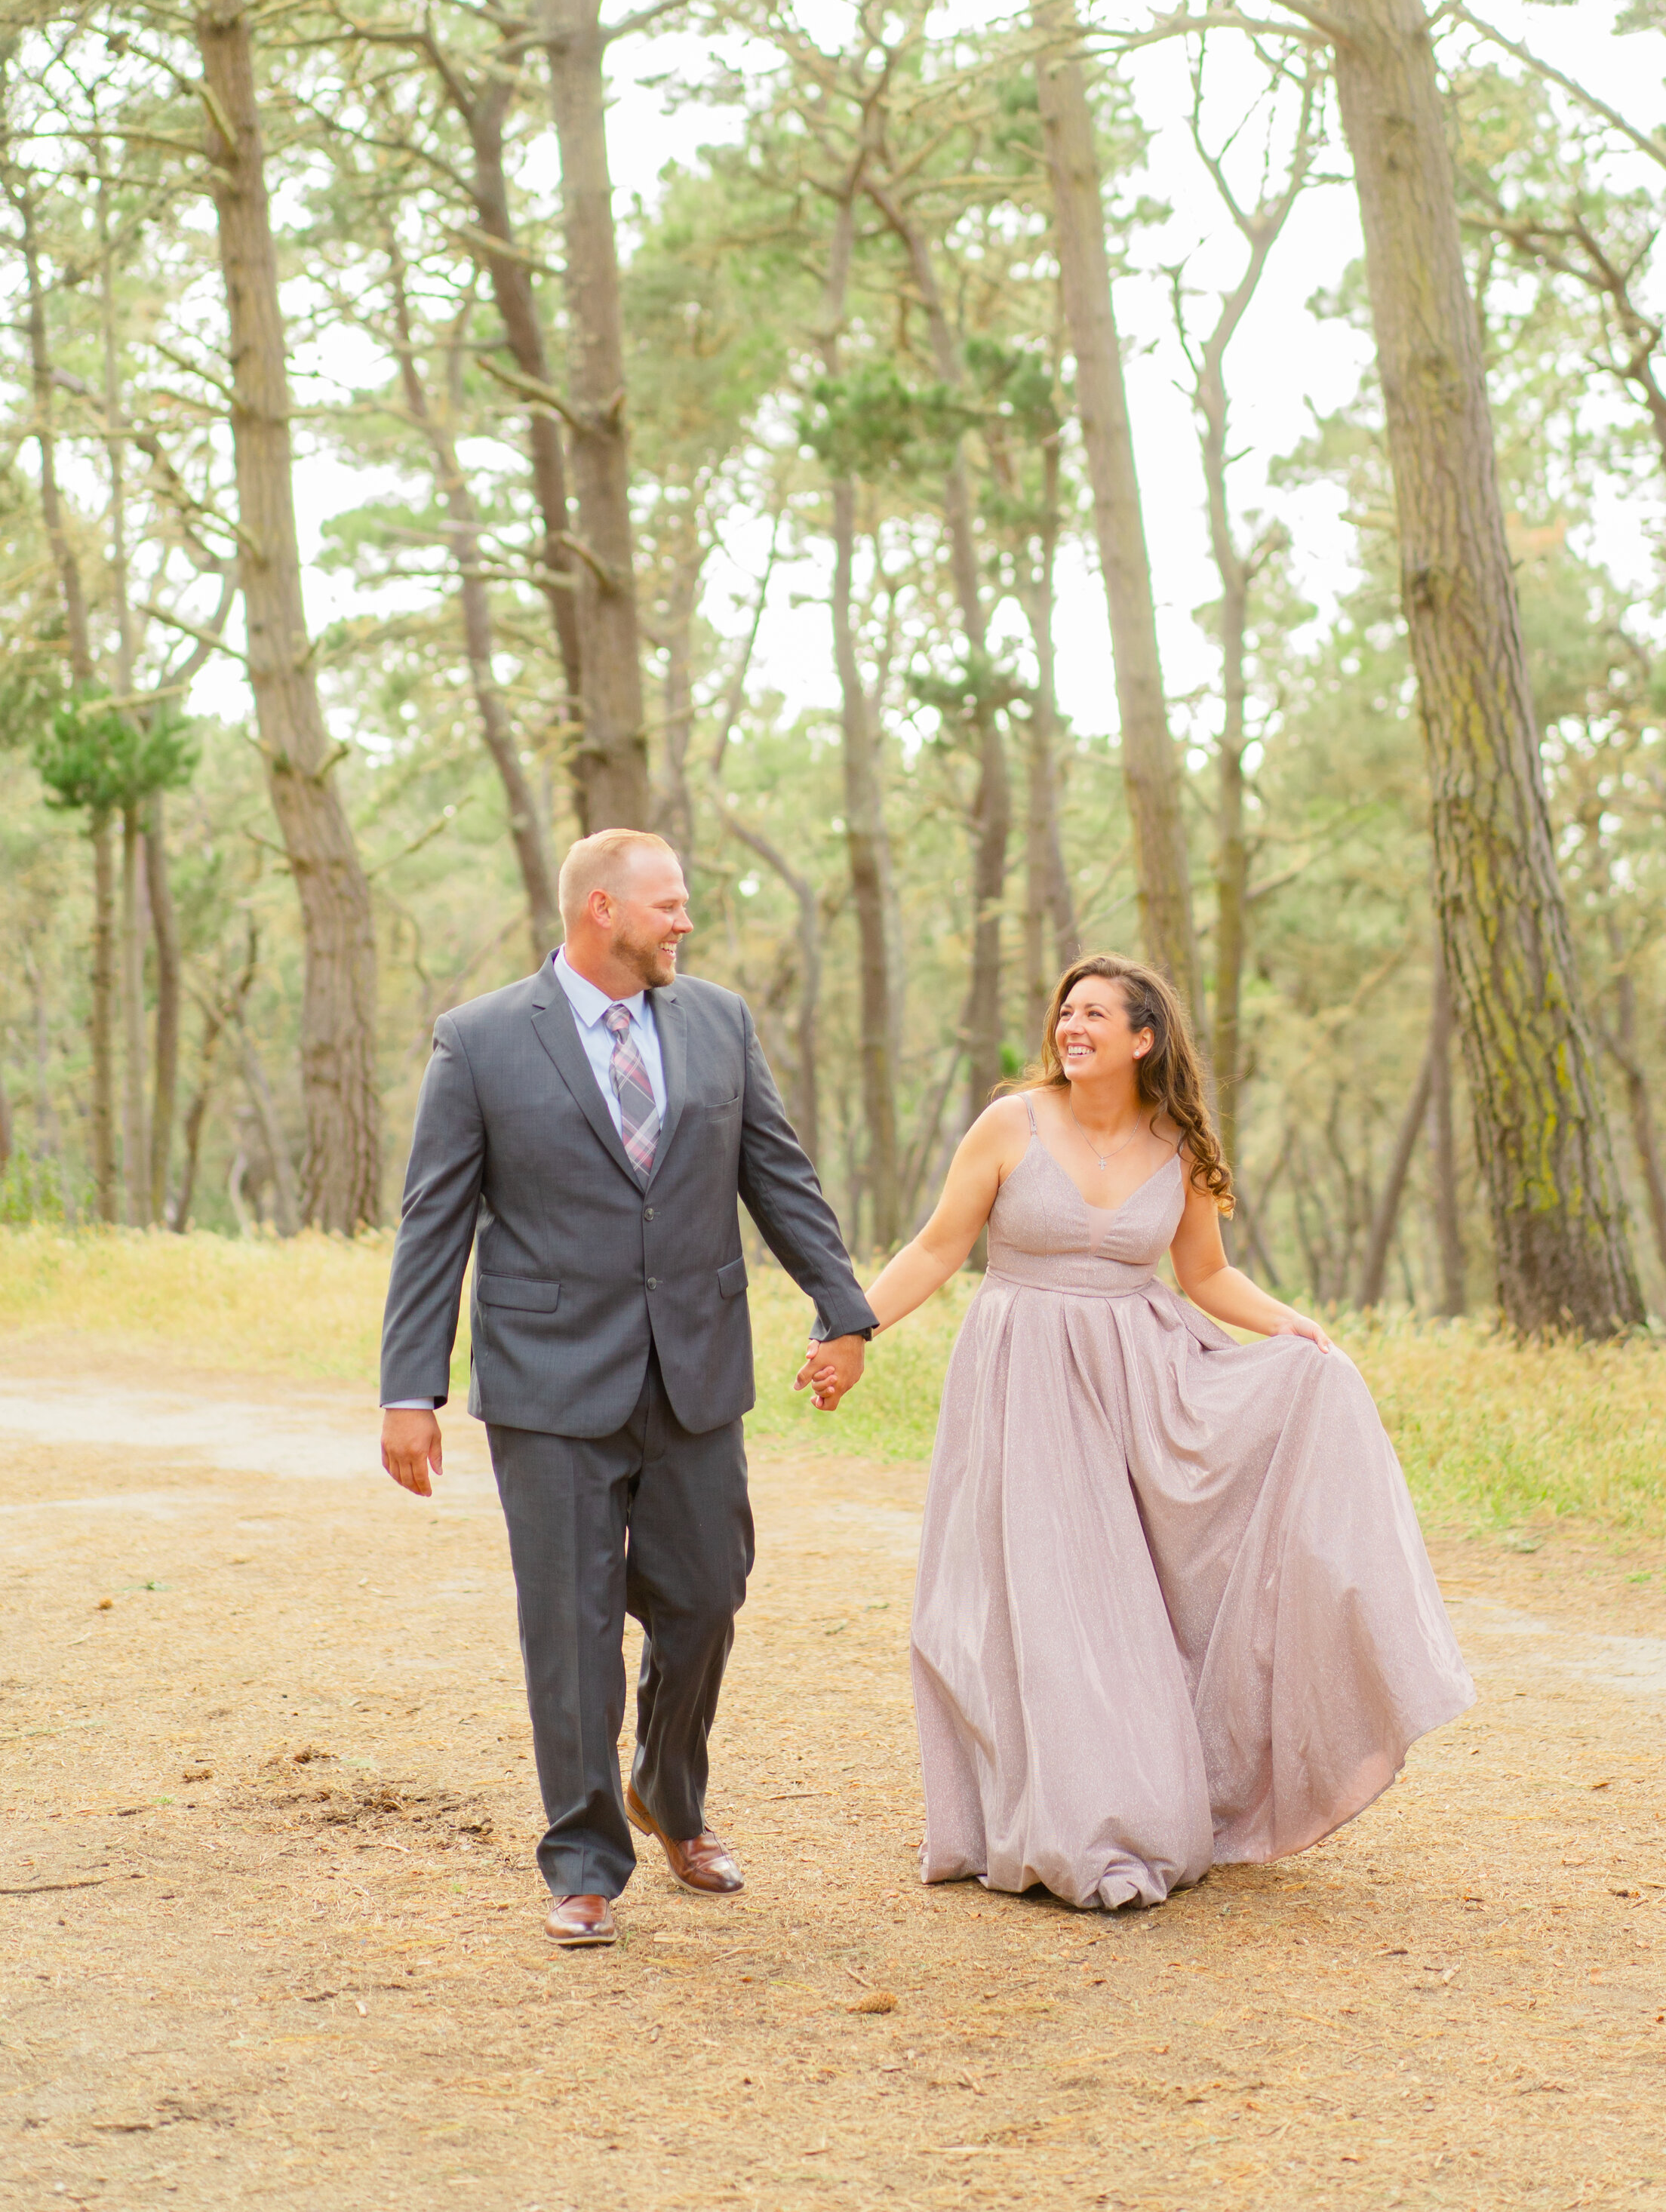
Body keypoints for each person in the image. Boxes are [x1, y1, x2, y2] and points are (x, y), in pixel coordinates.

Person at [802, 953, 1474, 1913]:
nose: (1071, 1026)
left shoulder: (1180, 1146)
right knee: (1038, 1595)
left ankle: (1124, 1813)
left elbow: (1204, 1275)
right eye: (1065, 1012)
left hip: (1140, 1385)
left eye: (1095, 1015)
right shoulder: (1010, 1125)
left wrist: (1292, 1328)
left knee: (1121, 1601)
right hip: (1021, 1378)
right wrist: (850, 1329)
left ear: (1142, 1038)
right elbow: (939, 1246)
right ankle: (1042, 1823)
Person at [380, 830, 876, 1946]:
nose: (683, 922)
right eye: (669, 904)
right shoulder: (481, 1041)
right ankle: (585, 1858)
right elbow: (434, 1222)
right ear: (602, 908)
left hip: (695, 1368)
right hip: (548, 1381)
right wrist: (411, 1386)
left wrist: (843, 1305)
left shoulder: (718, 1021)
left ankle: (667, 1786)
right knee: (571, 1625)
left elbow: (777, 1171)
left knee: (706, 1594)